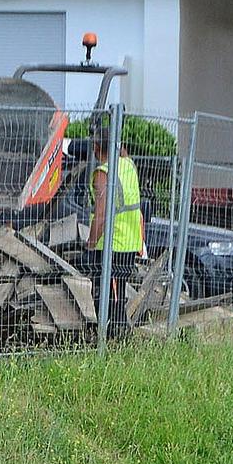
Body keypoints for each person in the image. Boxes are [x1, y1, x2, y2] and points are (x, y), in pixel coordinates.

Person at [86, 117, 146, 319]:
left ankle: (112, 340)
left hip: (112, 245)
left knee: (107, 300)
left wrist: (90, 244)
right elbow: (122, 153)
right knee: (117, 296)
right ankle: (116, 340)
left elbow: (101, 214)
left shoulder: (103, 173)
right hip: (130, 242)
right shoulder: (128, 166)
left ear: (95, 146)